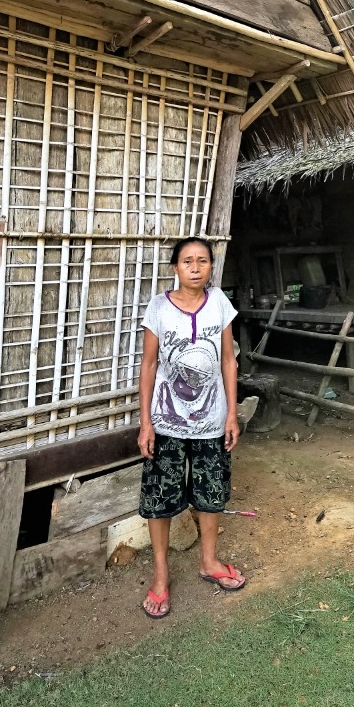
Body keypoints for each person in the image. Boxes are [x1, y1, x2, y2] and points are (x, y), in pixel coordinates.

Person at [136, 236, 246, 619]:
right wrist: (145, 423)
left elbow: (229, 361)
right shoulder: (158, 308)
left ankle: (209, 562)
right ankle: (161, 576)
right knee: (160, 500)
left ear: (211, 266)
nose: (195, 267)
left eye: (202, 260)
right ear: (175, 268)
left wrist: (232, 414)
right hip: (166, 423)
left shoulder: (220, 304)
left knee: (211, 493)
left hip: (212, 420)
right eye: (187, 261)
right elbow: (149, 366)